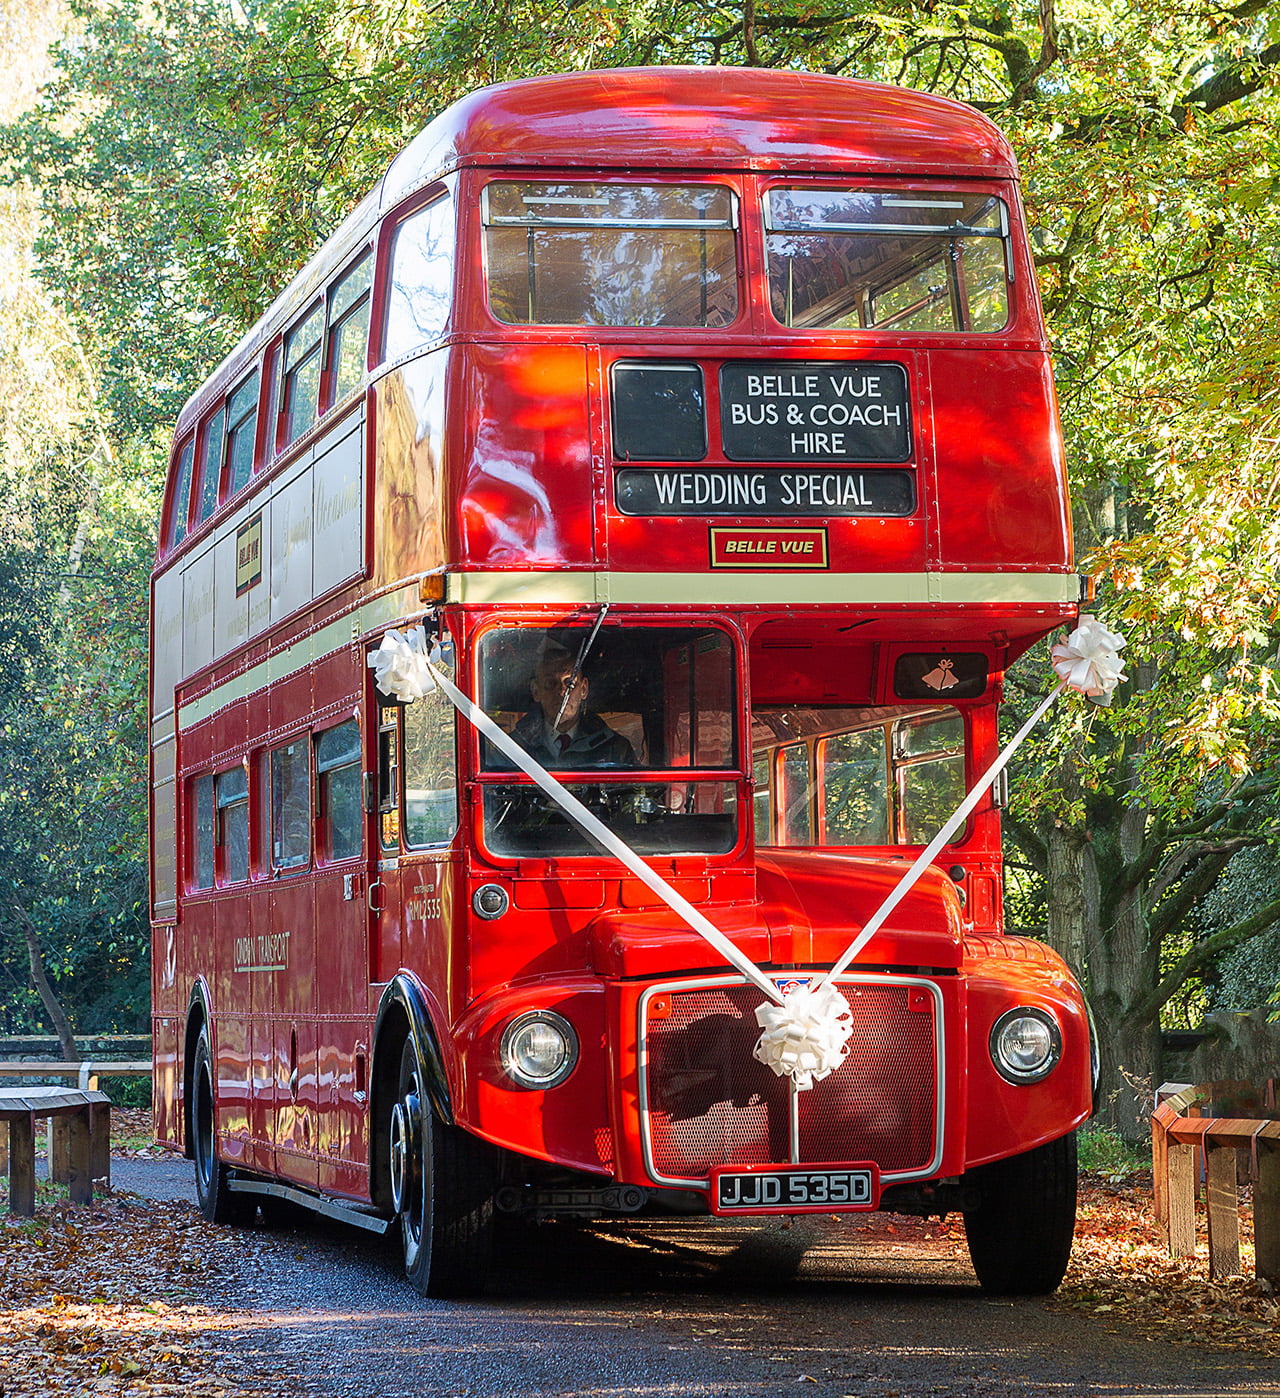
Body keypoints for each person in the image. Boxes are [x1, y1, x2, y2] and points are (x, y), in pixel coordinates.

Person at [509, 648, 637, 768]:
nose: (561, 692)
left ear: (583, 689)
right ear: (535, 691)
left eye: (570, 683)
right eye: (550, 683)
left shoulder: (614, 749)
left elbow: (633, 790)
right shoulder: (511, 747)